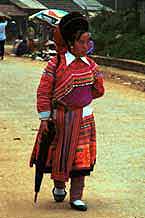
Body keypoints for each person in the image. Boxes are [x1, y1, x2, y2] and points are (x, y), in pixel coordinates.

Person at [30, 12, 105, 211]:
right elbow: (44, 91)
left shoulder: (91, 66)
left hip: (84, 119)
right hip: (59, 120)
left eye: (88, 42)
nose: (86, 46)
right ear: (71, 43)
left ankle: (76, 197)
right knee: (59, 155)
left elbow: (99, 90)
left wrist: (80, 103)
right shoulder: (55, 65)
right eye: (82, 42)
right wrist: (46, 118)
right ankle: (59, 186)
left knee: (81, 159)